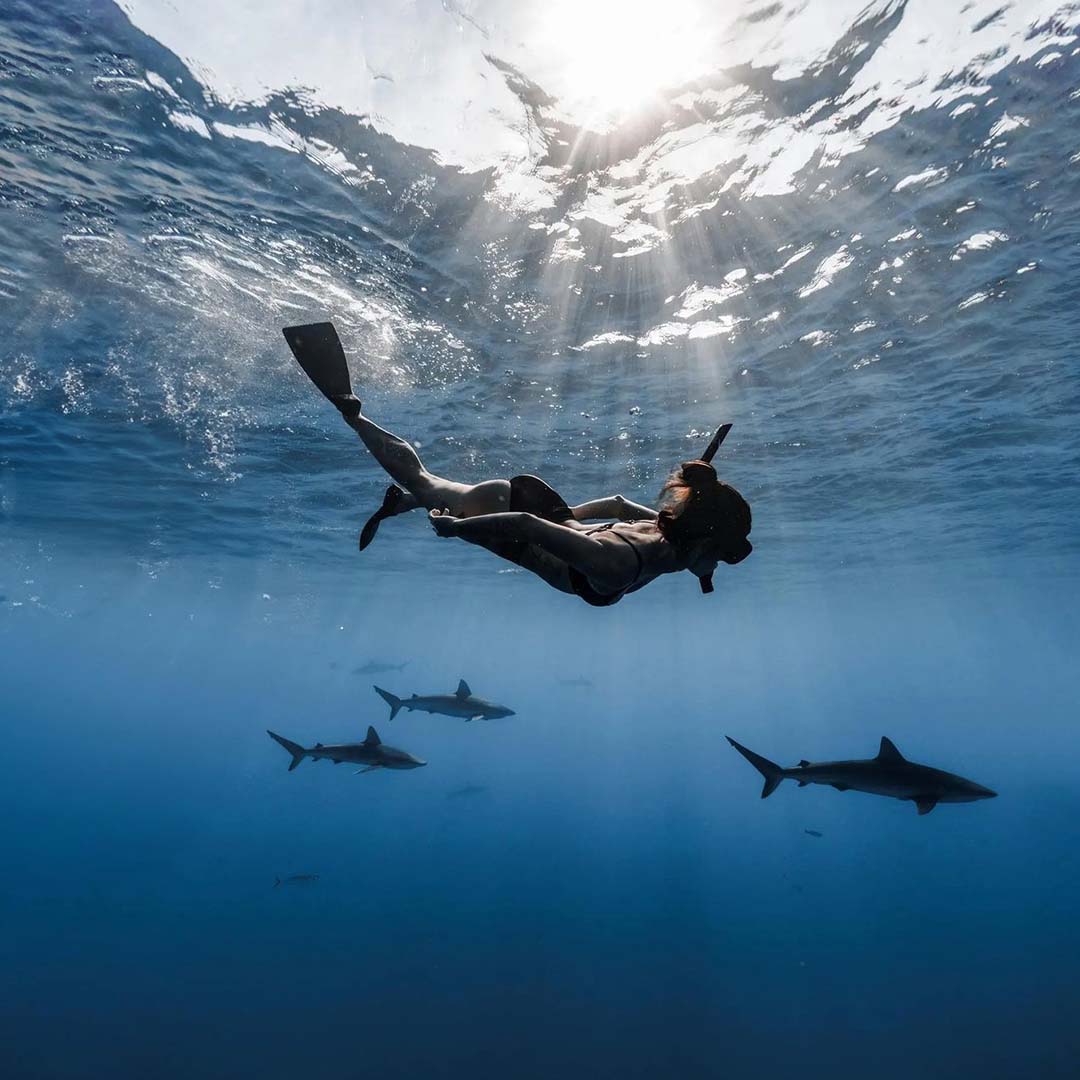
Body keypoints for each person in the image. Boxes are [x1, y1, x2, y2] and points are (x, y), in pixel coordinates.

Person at [283, 322, 752, 606]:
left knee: (434, 488)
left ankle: (407, 501)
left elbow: (617, 503)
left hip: (546, 504)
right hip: (516, 522)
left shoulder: (662, 530)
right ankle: (353, 414)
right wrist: (455, 531)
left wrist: (571, 523)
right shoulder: (614, 566)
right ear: (699, 541)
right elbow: (526, 527)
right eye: (724, 554)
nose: (720, 567)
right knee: (426, 483)